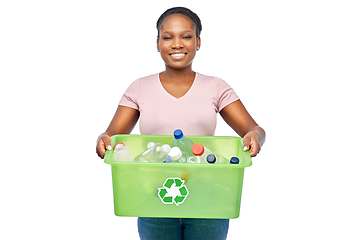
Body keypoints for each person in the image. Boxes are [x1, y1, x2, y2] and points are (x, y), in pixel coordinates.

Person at [96, 6, 266, 240]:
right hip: (154, 199)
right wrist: (104, 139)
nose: (177, 44)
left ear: (197, 41)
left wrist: (255, 137)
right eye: (168, 37)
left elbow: (253, 129)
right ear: (157, 44)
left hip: (209, 199)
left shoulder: (216, 87)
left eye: (186, 36)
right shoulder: (139, 88)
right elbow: (113, 135)